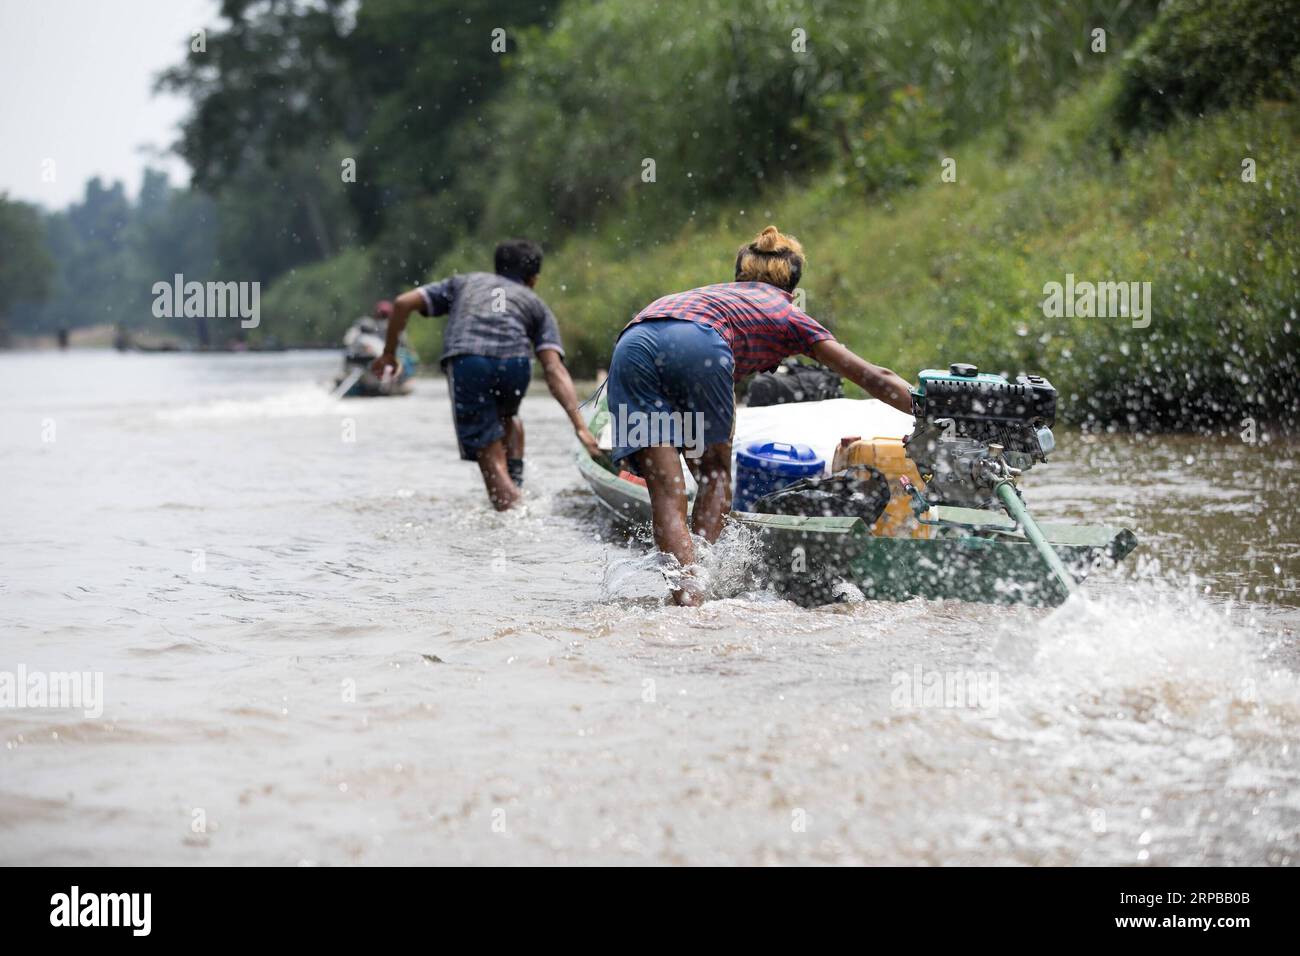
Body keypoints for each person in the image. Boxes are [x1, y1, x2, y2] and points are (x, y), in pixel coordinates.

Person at [607, 225, 915, 605]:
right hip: (700, 343)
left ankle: (685, 598)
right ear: (792, 287)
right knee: (715, 475)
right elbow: (873, 377)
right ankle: (701, 587)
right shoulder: (788, 314)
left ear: (740, 276)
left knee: (667, 494)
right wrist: (929, 407)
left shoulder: (714, 296)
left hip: (633, 343)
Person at [373, 239, 600, 510]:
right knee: (508, 418)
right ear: (534, 279)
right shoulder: (536, 304)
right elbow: (554, 369)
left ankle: (512, 509)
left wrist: (389, 353)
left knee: (489, 455)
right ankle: (516, 486)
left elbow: (402, 303)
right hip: (516, 364)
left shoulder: (463, 283)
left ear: (497, 267)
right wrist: (580, 427)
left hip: (469, 362)